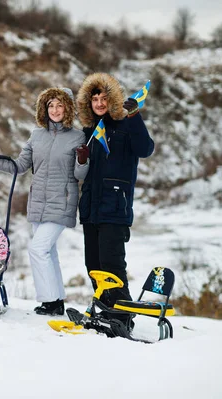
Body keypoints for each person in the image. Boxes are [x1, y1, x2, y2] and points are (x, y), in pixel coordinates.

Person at [0, 87, 89, 316]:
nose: (55, 110)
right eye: (50, 105)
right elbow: (19, 166)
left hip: (62, 201)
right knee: (49, 252)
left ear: (67, 107)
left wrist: (83, 160)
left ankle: (49, 300)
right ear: (44, 109)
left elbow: (80, 175)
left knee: (38, 249)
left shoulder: (77, 136)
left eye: (59, 105)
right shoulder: (36, 135)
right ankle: (57, 300)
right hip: (38, 201)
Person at [75, 72, 154, 320]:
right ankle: (105, 310)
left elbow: (146, 149)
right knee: (93, 266)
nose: (99, 103)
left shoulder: (126, 124)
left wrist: (135, 116)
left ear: (113, 100)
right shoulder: (88, 130)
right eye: (94, 99)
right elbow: (84, 171)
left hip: (115, 207)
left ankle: (122, 316)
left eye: (103, 98)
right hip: (91, 208)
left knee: (112, 266)